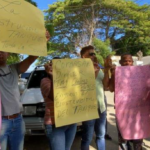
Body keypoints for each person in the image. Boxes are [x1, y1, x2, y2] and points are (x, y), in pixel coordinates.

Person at [0, 30, 50, 150]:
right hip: (2, 122)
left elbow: (32, 58)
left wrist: (42, 41)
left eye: (3, 49)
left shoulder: (14, 69)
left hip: (18, 120)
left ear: (8, 53)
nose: (0, 52)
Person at [107, 54, 143, 150]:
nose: (127, 63)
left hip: (137, 111)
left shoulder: (139, 73)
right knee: (123, 136)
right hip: (122, 111)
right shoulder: (116, 73)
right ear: (120, 63)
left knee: (138, 136)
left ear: (132, 62)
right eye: (125, 61)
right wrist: (113, 75)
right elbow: (110, 89)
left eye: (130, 61)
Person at [40, 57, 77, 150]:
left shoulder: (68, 81)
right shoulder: (45, 81)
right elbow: (54, 97)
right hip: (54, 124)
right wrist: (53, 76)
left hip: (71, 122)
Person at [80, 45, 110, 150]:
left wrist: (106, 70)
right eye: (91, 54)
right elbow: (86, 85)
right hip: (88, 107)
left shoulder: (98, 67)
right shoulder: (79, 68)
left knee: (101, 135)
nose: (94, 56)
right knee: (87, 137)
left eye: (94, 53)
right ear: (84, 56)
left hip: (101, 105)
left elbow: (105, 86)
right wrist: (95, 71)